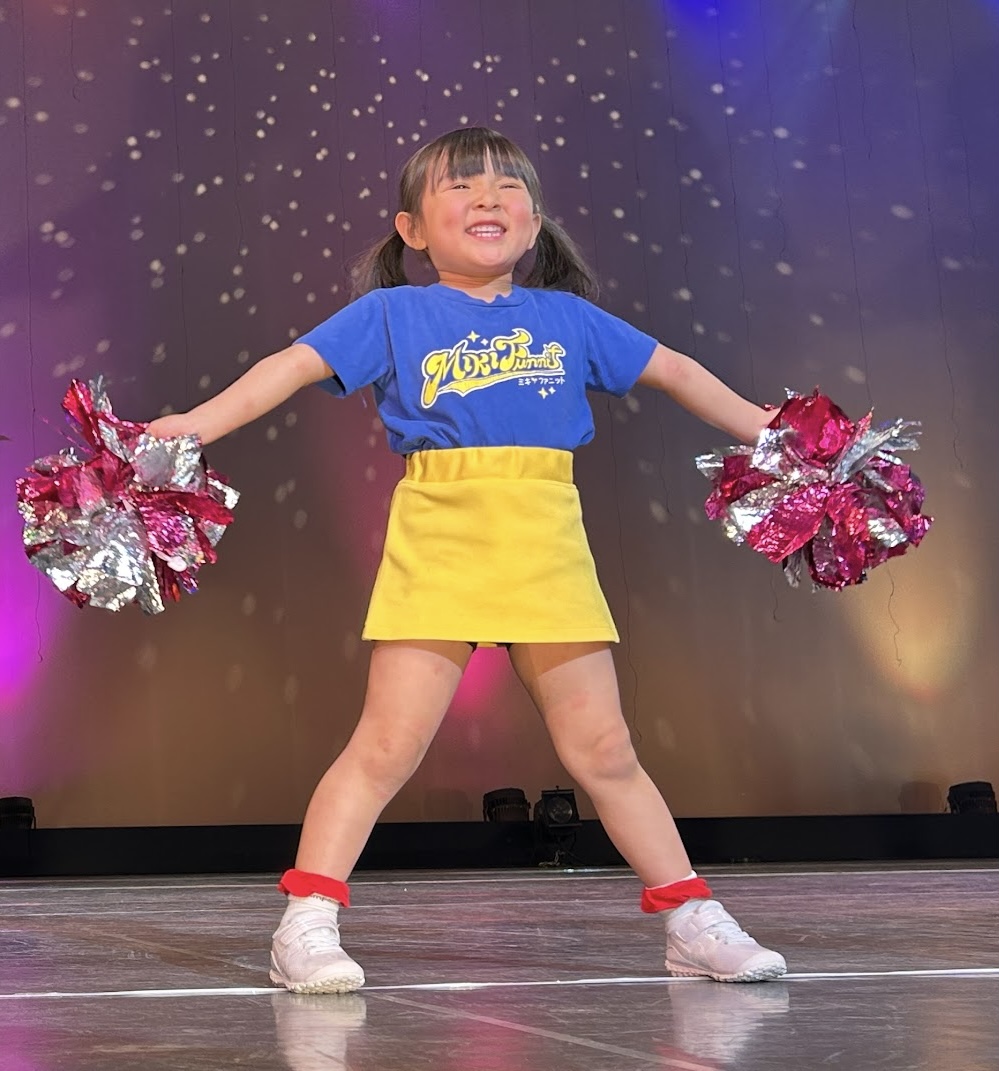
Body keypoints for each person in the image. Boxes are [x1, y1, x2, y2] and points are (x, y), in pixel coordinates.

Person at [147, 126, 787, 992]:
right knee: (385, 745)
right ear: (412, 229)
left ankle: (691, 919)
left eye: (507, 187)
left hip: (546, 535)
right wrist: (193, 425)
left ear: (534, 222)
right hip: (441, 533)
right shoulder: (391, 314)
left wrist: (777, 435)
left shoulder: (567, 318)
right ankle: (306, 921)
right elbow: (287, 368)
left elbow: (674, 370)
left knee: (604, 747)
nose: (487, 197)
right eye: (460, 186)